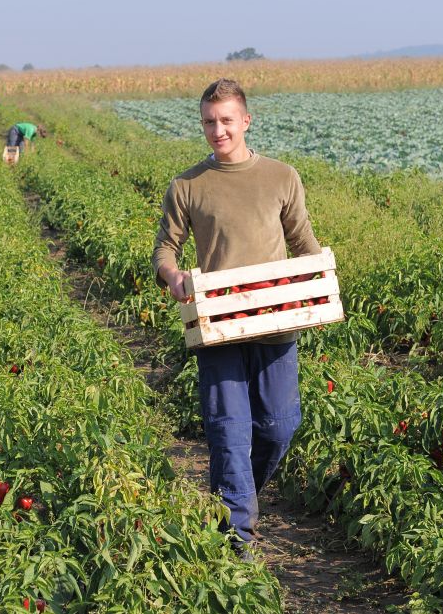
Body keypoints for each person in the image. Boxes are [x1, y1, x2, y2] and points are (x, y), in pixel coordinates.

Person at [151, 78, 322, 555]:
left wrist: (322, 284)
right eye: (209, 121)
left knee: (280, 427)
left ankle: (232, 498)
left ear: (246, 120)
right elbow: (166, 248)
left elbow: (303, 241)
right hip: (217, 328)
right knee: (228, 433)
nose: (218, 130)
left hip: (274, 325)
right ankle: (237, 543)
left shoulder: (281, 177)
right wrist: (174, 277)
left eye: (226, 120)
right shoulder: (187, 185)